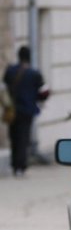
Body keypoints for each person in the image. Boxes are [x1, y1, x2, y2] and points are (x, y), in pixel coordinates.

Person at [3, 46, 48, 177]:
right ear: (29, 57)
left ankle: (14, 164)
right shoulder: (34, 74)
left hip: (12, 110)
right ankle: (20, 167)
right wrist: (38, 99)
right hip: (27, 110)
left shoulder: (10, 71)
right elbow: (43, 92)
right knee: (23, 138)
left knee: (14, 137)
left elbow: (4, 88)